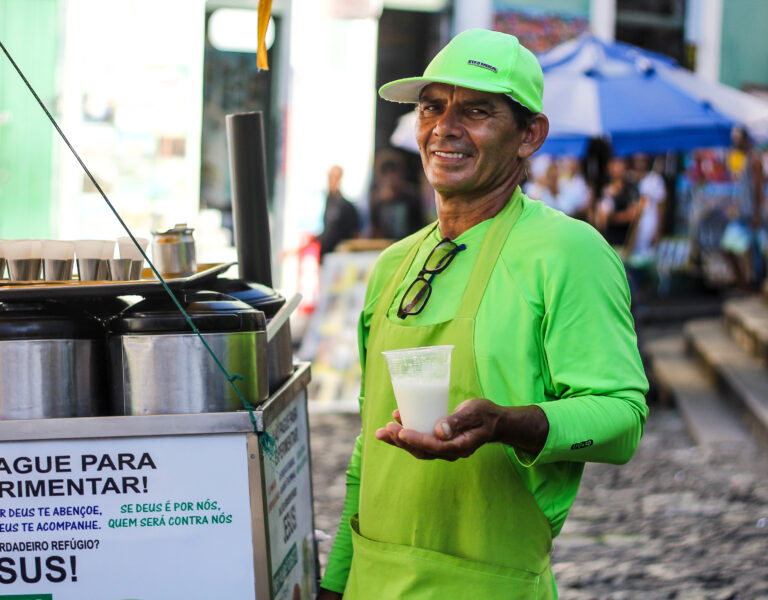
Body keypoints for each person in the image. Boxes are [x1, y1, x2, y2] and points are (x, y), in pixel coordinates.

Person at [318, 29, 648, 600]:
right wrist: (337, 582)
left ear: (529, 135)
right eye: (431, 107)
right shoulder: (394, 265)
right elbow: (368, 448)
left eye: (476, 111)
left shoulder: (568, 251)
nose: (444, 127)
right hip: (373, 582)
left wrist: (508, 424)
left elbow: (622, 418)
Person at [595, 156, 641, 250]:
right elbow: (598, 217)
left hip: (625, 242)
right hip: (607, 242)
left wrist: (611, 217)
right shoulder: (603, 188)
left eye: (619, 163)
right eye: (613, 163)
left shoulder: (631, 188)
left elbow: (633, 215)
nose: (616, 167)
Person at [316, 165, 360, 259]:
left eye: (335, 177)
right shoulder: (328, 201)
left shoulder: (346, 206)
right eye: (330, 177)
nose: (332, 181)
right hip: (325, 255)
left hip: (339, 258)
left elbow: (354, 234)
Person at [630, 153, 667, 260]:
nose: (639, 164)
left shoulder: (655, 180)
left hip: (650, 226)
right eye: (637, 160)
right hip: (634, 229)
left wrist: (658, 231)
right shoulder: (630, 178)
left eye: (642, 161)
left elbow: (661, 207)